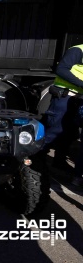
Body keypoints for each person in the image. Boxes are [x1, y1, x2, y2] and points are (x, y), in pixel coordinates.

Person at [43, 44, 83, 187]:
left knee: (70, 133)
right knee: (54, 130)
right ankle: (36, 162)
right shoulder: (78, 50)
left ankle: (58, 162)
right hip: (66, 96)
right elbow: (61, 69)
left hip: (78, 99)